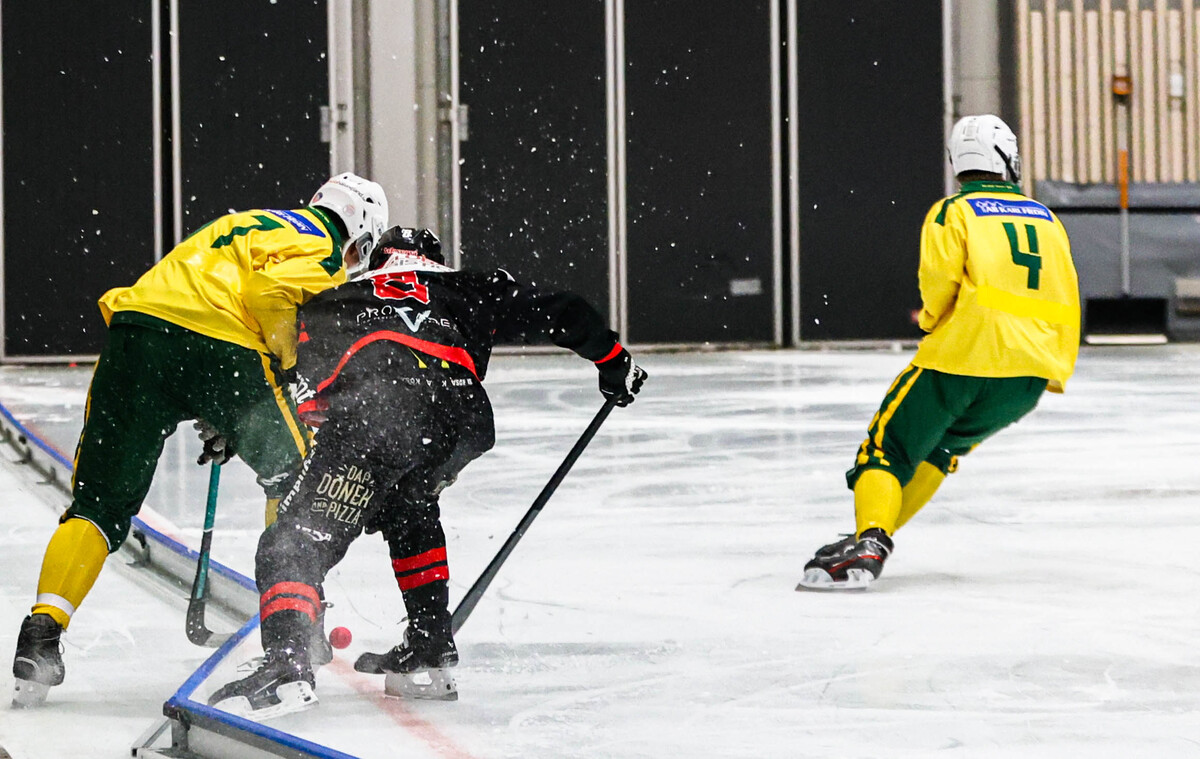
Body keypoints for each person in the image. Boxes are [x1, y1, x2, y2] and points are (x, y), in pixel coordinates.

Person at [207, 226, 646, 718]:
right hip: (460, 418)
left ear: (376, 259)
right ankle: (430, 646)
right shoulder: (467, 286)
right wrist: (614, 362)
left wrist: (234, 425)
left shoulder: (335, 296)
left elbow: (278, 370)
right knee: (409, 507)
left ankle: (286, 664)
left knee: (294, 541)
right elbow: (564, 311)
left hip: (376, 413)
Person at [11, 173, 389, 707]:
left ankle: (43, 630)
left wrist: (219, 408)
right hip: (220, 347)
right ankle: (296, 620)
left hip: (136, 333)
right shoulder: (324, 247)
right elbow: (267, 293)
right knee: (296, 477)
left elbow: (195, 299)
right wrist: (282, 369)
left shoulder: (249, 222)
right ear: (360, 237)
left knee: (98, 504)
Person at [798, 115, 1080, 590]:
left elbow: (939, 282)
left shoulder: (954, 212)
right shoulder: (1047, 218)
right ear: (1007, 159)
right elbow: (1066, 289)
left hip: (962, 358)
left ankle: (870, 539)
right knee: (942, 449)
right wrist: (1052, 365)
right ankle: (873, 536)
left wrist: (931, 321)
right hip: (1029, 374)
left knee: (886, 451)